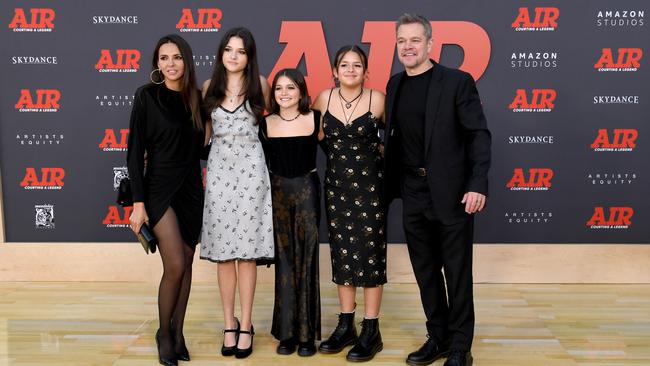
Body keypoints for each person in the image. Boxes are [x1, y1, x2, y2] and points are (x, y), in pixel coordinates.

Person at [384, 14, 492, 366]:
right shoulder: (395, 84)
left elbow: (478, 134)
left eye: (415, 40)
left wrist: (477, 184)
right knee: (424, 270)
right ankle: (439, 337)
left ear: (430, 44)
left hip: (452, 191)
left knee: (457, 272)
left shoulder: (457, 82)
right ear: (397, 45)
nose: (408, 46)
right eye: (402, 41)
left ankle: (461, 346)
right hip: (412, 189)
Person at [127, 34, 206, 366]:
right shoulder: (147, 96)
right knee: (174, 264)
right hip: (158, 187)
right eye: (164, 58)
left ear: (186, 61)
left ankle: (178, 331)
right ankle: (163, 333)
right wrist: (138, 203)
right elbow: (134, 152)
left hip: (190, 188)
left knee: (187, 261)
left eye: (176, 57)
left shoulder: (197, 100)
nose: (170, 64)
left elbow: (202, 150)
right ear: (156, 64)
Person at [199, 26, 272, 359]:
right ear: (220, 54)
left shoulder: (262, 86)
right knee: (225, 254)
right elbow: (204, 138)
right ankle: (229, 323)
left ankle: (247, 324)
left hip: (252, 175)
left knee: (247, 253)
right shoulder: (207, 88)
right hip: (219, 174)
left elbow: (278, 125)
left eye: (240, 51)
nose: (233, 56)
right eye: (228, 49)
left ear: (249, 56)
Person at [312, 45, 386, 362]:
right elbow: (312, 137)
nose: (351, 69)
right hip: (337, 188)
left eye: (357, 65)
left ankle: (371, 329)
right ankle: (346, 325)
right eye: (345, 64)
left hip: (371, 189)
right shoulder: (323, 99)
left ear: (366, 71)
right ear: (334, 70)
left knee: (369, 256)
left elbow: (392, 141)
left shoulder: (378, 99)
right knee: (342, 253)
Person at [258, 68, 322, 357]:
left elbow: (341, 148)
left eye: (291, 88)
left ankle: (307, 335)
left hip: (308, 190)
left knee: (307, 258)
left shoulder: (316, 119)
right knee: (284, 260)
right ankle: (287, 333)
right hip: (278, 193)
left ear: (301, 92)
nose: (284, 93)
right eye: (279, 89)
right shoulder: (265, 124)